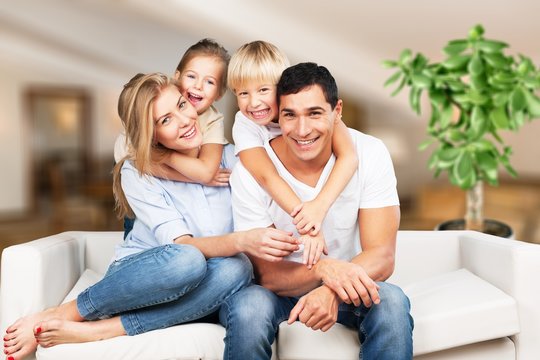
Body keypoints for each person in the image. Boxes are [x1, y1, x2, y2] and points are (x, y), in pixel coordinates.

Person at [3, 73, 299, 360]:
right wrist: (242, 240)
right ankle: (63, 314)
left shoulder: (234, 157)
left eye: (182, 105)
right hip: (146, 278)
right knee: (188, 259)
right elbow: (184, 246)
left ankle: (106, 330)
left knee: (240, 273)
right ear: (151, 133)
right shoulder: (139, 171)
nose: (184, 122)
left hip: (212, 285)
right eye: (165, 120)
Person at [221, 62, 414, 360]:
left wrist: (332, 290)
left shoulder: (369, 152)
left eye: (314, 113)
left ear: (337, 111)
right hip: (279, 293)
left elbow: (382, 256)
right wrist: (324, 268)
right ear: (277, 115)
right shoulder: (250, 171)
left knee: (391, 301)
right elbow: (268, 275)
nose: (302, 130)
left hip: (348, 285)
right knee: (248, 306)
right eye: (290, 115)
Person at [228, 41, 359, 267]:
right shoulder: (244, 124)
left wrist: (320, 206)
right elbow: (267, 176)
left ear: (281, 89)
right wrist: (308, 225)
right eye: (243, 93)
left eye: (263, 90)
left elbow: (349, 157)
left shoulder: (310, 106)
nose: (253, 102)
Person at [115, 38, 232, 238]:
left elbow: (205, 172)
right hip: (145, 209)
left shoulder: (212, 120)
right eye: (191, 76)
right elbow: (133, 163)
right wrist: (171, 162)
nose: (198, 86)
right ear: (177, 77)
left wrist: (164, 157)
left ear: (220, 94)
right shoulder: (147, 117)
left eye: (210, 81)